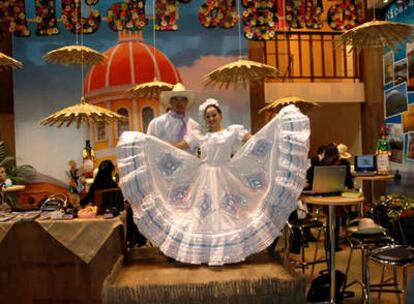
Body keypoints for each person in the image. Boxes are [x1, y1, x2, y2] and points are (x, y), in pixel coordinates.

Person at [117, 99, 310, 265]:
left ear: (220, 115)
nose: (211, 119)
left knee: (227, 216)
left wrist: (272, 133)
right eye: (207, 116)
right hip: (204, 176)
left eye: (213, 115)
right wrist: (152, 144)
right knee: (202, 218)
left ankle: (225, 254)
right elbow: (179, 147)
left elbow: (253, 141)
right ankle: (205, 254)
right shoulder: (200, 135)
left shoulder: (233, 131)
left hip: (226, 175)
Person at [80, 160, 146, 247]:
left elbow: (84, 202)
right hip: (115, 217)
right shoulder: (114, 185)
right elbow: (122, 202)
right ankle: (133, 240)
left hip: (99, 217)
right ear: (111, 171)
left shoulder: (94, 186)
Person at [147, 83, 202, 152]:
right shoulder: (157, 123)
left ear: (186, 102)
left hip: (188, 162)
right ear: (170, 101)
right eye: (176, 99)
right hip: (164, 162)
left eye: (183, 99)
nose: (179, 102)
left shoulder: (194, 125)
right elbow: (150, 146)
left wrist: (172, 147)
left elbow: (196, 143)